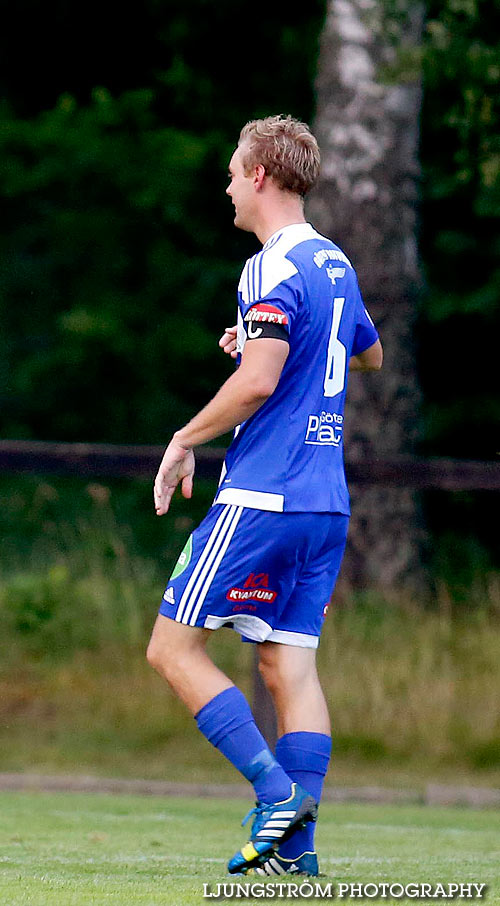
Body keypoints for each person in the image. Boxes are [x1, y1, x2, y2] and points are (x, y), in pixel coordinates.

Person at [149, 115, 383, 877]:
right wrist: (258, 336)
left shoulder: (269, 264)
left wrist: (186, 438)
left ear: (258, 176)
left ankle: (275, 793)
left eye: (230, 171)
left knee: (173, 648)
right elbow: (369, 353)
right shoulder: (335, 263)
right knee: (289, 668)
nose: (224, 186)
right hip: (325, 502)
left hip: (265, 493)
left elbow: (258, 382)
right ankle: (298, 855)